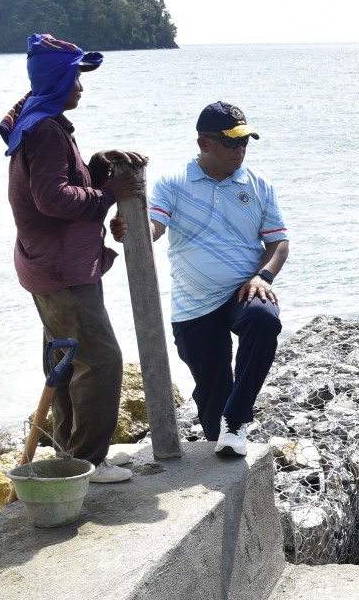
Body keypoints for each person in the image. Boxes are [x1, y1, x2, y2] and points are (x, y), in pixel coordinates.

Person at [1, 34, 144, 483]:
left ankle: (71, 454)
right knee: (100, 361)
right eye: (75, 78)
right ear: (59, 80)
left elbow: (60, 182)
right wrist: (108, 194)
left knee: (65, 363)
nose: (81, 87)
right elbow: (52, 198)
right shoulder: (45, 130)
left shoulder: (41, 123)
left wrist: (99, 164)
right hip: (63, 272)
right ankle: (89, 461)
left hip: (46, 266)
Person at [120, 102, 289, 457]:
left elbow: (278, 242)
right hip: (193, 302)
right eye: (230, 143)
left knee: (263, 318)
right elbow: (154, 228)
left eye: (244, 142)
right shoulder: (174, 183)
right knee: (213, 397)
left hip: (241, 289)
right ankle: (223, 449)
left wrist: (264, 275)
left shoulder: (258, 186)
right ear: (204, 143)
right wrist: (131, 228)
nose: (239, 150)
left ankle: (238, 419)